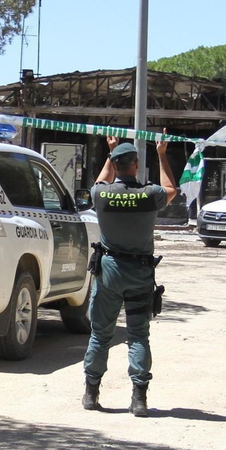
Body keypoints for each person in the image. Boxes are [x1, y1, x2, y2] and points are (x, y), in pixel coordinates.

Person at [82, 137, 178, 417]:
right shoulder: (150, 194)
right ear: (136, 165)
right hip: (139, 273)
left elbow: (101, 180)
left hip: (109, 272)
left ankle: (91, 393)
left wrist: (111, 154)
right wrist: (162, 155)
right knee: (138, 336)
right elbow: (171, 188)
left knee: (100, 335)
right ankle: (139, 399)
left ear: (114, 165)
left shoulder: (101, 194)